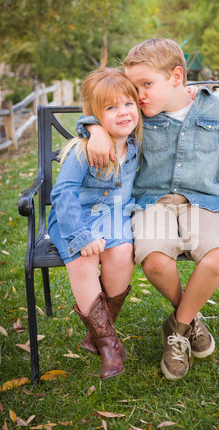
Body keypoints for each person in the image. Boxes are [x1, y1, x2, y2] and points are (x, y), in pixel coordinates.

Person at [76, 39, 219, 380]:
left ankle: (179, 328)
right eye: (135, 86)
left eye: (146, 85)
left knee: (217, 256)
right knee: (156, 260)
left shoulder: (217, 108)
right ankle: (192, 319)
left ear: (176, 76)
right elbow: (103, 107)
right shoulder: (139, 111)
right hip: (152, 202)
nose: (139, 95)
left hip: (204, 202)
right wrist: (94, 128)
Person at [48, 67, 142, 380]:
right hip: (74, 215)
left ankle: (98, 331)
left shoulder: (135, 143)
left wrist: (191, 93)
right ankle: (109, 344)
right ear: (96, 116)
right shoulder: (83, 149)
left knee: (121, 253)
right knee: (82, 260)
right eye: (111, 108)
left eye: (128, 104)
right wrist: (82, 235)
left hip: (114, 214)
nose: (123, 113)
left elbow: (170, 105)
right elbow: (62, 196)